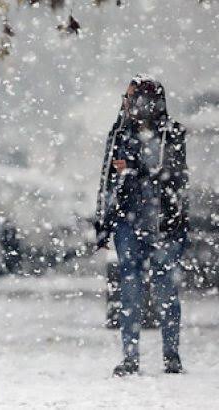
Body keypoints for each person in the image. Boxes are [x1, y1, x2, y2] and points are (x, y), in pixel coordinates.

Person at [95, 75, 189, 376]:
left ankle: (170, 354)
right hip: (128, 221)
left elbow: (172, 175)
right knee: (130, 287)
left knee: (164, 289)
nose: (128, 104)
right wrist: (104, 222)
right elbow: (108, 179)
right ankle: (131, 356)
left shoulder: (170, 133)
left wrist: (134, 169)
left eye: (133, 98)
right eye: (128, 98)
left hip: (164, 223)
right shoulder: (120, 133)